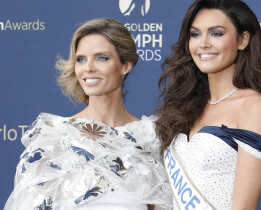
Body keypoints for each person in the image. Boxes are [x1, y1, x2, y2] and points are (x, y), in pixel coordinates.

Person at [5, 18, 172, 210]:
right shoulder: (54, 138)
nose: (88, 68)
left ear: (126, 65)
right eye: (81, 59)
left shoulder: (151, 138)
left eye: (102, 58)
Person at [155, 0, 261, 210]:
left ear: (242, 40)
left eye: (216, 33)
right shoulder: (182, 105)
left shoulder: (254, 107)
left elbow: (243, 207)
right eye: (195, 35)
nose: (203, 43)